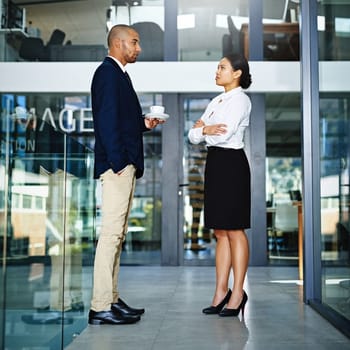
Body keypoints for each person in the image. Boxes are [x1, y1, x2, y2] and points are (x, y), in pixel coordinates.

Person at [89, 24, 164, 325]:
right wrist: (119, 163)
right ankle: (99, 307)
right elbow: (106, 122)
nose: (139, 48)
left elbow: (120, 120)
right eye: (134, 42)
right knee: (110, 235)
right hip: (117, 166)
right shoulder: (107, 73)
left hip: (123, 164)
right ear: (118, 44)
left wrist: (143, 124)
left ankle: (112, 299)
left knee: (117, 237)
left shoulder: (119, 75)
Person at [188, 53, 252, 317]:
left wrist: (206, 129)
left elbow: (224, 135)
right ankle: (220, 292)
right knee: (219, 231)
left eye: (222, 67)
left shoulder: (241, 100)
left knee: (234, 229)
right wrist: (205, 130)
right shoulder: (216, 100)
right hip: (214, 164)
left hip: (232, 165)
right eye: (217, 67)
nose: (217, 71)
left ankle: (238, 292)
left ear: (237, 73)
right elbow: (192, 135)